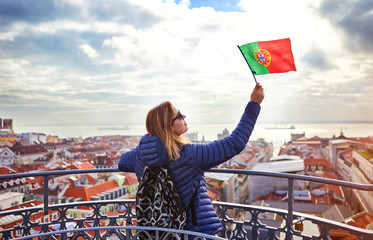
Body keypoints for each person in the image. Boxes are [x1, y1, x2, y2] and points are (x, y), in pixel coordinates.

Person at [118, 83, 264, 236]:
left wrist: (148, 144)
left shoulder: (139, 154)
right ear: (169, 126)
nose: (184, 116)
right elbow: (234, 143)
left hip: (159, 231)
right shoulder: (189, 153)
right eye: (179, 115)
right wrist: (254, 104)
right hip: (194, 232)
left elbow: (122, 162)